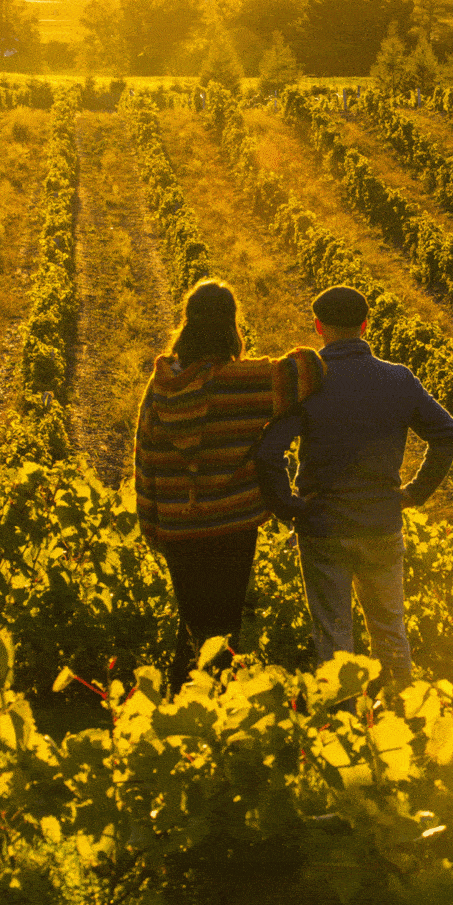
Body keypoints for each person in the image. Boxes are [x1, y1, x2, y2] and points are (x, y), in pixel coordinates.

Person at [255, 285, 453, 687]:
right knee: (390, 632)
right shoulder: (398, 379)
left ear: (318, 327)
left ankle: (342, 726)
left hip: (323, 527)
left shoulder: (311, 382)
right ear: (366, 326)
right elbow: (446, 432)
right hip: (381, 525)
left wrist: (290, 507)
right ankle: (404, 720)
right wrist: (414, 493)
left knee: (333, 638)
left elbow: (268, 453)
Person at [134, 279, 326, 693]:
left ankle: (181, 702)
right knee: (226, 623)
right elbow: (308, 370)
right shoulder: (243, 380)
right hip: (232, 526)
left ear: (186, 325)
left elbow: (144, 455)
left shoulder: (162, 383)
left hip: (177, 526)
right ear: (230, 326)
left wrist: (152, 521)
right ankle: (218, 706)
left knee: (193, 621)